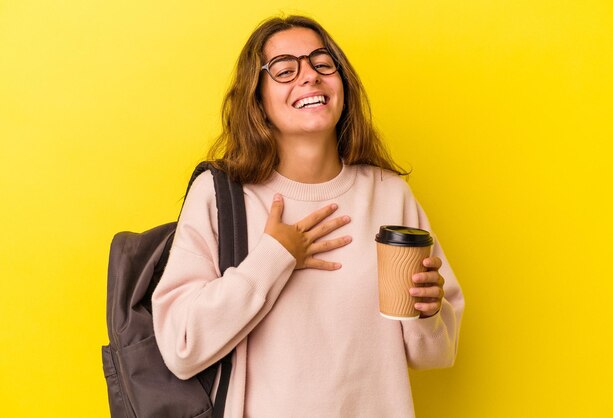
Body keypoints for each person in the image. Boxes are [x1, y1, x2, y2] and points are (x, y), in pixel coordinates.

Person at [152, 15, 464, 418]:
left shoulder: (389, 197)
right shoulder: (220, 195)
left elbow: (436, 354)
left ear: (343, 85)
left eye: (323, 63)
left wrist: (428, 311)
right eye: (284, 70)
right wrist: (274, 256)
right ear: (257, 100)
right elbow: (182, 346)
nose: (310, 77)